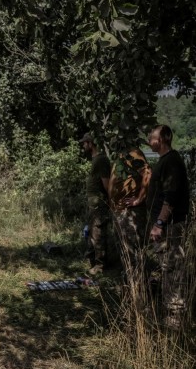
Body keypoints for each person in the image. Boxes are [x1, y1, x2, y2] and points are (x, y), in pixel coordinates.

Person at [145, 124, 190, 329]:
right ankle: (167, 310)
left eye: (151, 137)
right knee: (166, 266)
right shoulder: (165, 160)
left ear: (161, 140)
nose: (148, 140)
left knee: (172, 266)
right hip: (164, 225)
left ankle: (175, 316)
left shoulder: (171, 161)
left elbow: (170, 198)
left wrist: (160, 223)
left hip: (170, 226)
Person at [108, 145, 152, 308]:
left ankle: (139, 300)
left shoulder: (134, 155)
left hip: (131, 213)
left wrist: (139, 199)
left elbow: (147, 173)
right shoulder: (122, 155)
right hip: (121, 213)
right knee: (126, 255)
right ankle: (131, 297)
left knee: (134, 256)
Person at [79, 132, 111, 276]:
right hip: (94, 204)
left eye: (84, 143)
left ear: (90, 143)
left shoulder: (101, 160)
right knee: (91, 232)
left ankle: (100, 266)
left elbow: (107, 184)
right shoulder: (95, 159)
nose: (83, 145)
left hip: (99, 205)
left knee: (98, 233)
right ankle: (92, 260)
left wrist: (111, 201)